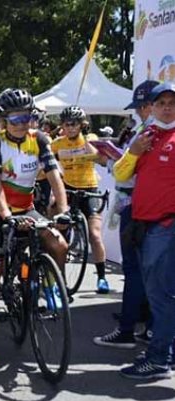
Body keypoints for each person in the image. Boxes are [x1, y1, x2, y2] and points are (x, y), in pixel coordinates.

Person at [0, 88, 69, 364]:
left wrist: (62, 210)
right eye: (15, 119)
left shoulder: (39, 139)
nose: (21, 124)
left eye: (26, 117)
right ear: (4, 120)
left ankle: (50, 285)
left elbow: (54, 177)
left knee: (58, 244)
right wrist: (6, 216)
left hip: (27, 208)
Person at [113, 82, 175, 380]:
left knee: (160, 296)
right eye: (161, 102)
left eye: (171, 103)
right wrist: (134, 153)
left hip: (165, 226)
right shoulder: (146, 136)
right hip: (144, 226)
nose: (166, 108)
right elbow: (120, 174)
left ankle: (159, 358)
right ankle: (164, 353)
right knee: (159, 294)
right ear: (152, 106)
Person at [94, 80, 159, 349]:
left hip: (137, 206)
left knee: (134, 269)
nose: (139, 112)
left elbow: (126, 172)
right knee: (147, 270)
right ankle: (147, 326)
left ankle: (128, 329)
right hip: (139, 205)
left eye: (141, 107)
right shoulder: (148, 130)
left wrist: (111, 161)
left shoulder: (148, 133)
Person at [50, 105, 109, 294]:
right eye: (66, 124)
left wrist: (86, 142)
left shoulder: (90, 139)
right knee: (59, 234)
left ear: (81, 125)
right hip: (67, 189)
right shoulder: (58, 143)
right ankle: (58, 277)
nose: (70, 128)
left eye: (74, 124)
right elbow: (45, 160)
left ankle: (101, 278)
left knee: (95, 235)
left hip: (88, 189)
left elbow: (101, 159)